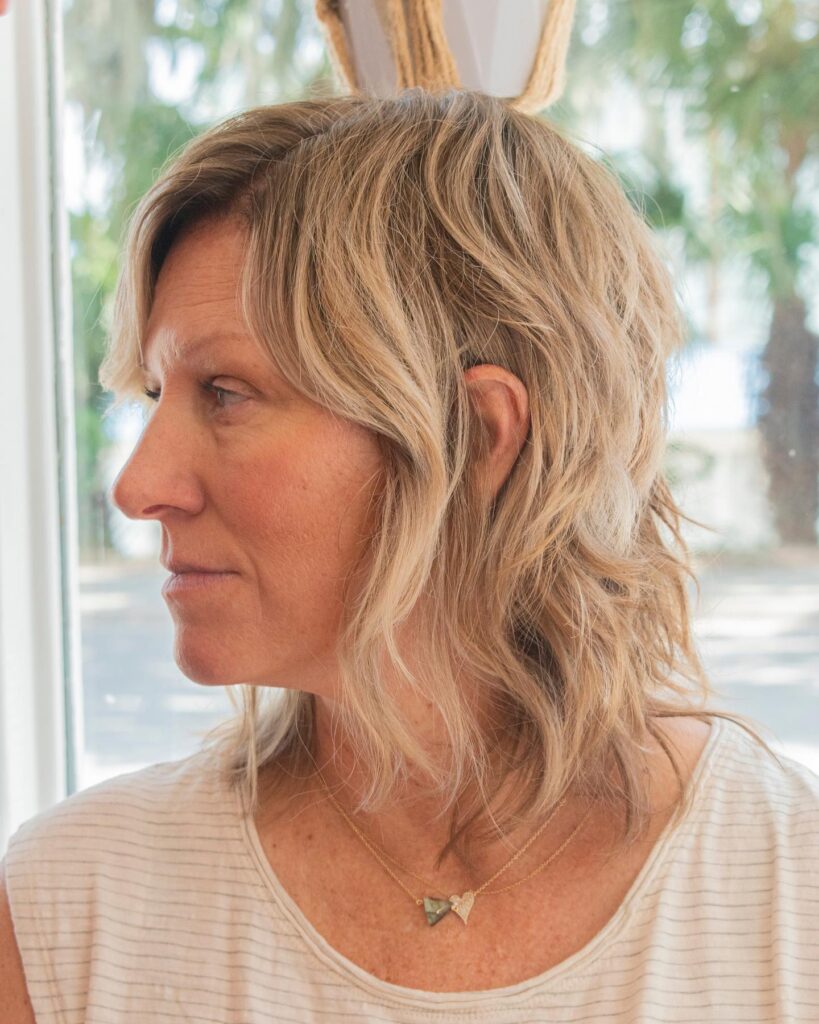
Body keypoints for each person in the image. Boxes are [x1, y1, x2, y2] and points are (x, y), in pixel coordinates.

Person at [2, 88, 817, 1022]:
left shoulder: (790, 898)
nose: (138, 485)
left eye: (225, 392)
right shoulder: (69, 908)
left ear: (475, 436)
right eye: (154, 394)